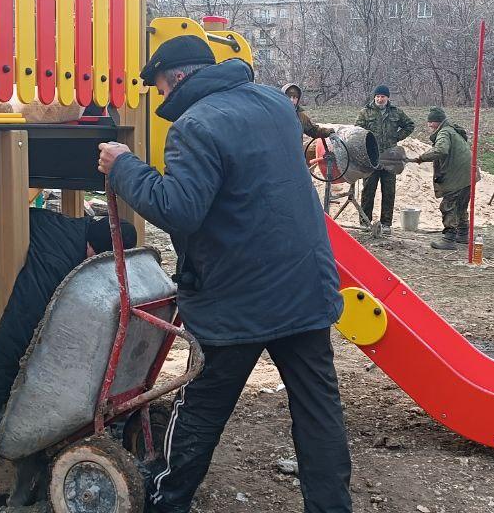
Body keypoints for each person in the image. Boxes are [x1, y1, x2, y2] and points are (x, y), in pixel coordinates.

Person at [96, 35, 353, 513]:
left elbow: (179, 209)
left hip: (237, 301)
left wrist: (124, 167)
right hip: (305, 287)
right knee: (318, 410)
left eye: (160, 88)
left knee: (201, 408)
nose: (162, 98)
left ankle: (166, 503)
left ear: (176, 77)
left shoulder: (195, 126)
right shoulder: (276, 105)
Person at [0, 209, 137, 444]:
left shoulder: (84, 236)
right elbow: (20, 324)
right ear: (93, 250)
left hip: (1, 269)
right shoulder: (55, 261)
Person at [409, 107, 475, 250]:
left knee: (448, 205)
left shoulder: (444, 132)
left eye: (431, 122)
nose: (429, 125)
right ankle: (463, 234)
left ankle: (449, 239)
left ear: (438, 122)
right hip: (468, 174)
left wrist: (422, 157)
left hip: (456, 175)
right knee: (461, 205)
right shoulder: (452, 130)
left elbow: (441, 150)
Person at [354, 85, 415, 234]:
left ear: (388, 98)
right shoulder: (365, 112)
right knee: (368, 190)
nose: (380, 99)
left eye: (383, 96)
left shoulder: (396, 112)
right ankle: (365, 222)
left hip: (390, 157)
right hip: (371, 157)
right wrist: (366, 144)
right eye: (378, 96)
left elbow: (410, 125)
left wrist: (396, 137)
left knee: (388, 191)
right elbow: (357, 131)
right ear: (374, 97)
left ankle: (386, 223)